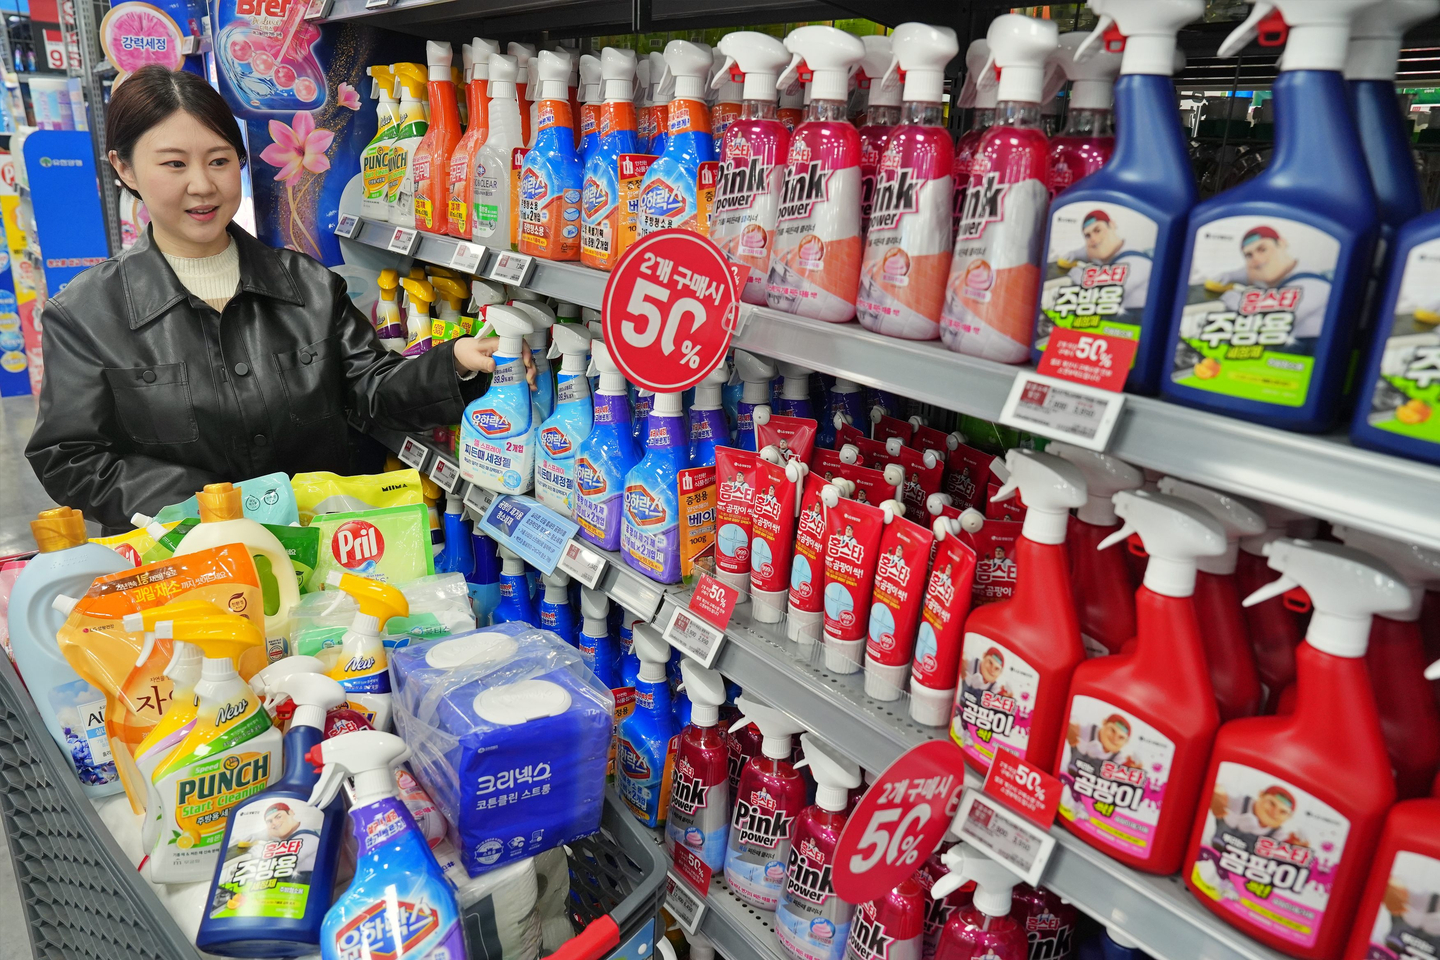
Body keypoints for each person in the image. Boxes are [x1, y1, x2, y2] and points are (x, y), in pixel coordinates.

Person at [26, 65, 533, 532]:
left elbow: (371, 388)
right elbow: (70, 456)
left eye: (219, 160)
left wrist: (457, 363)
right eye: (174, 164)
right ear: (126, 169)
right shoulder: (86, 314)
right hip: (184, 569)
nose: (201, 185)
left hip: (324, 563)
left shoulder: (307, 285)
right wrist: (210, 509)